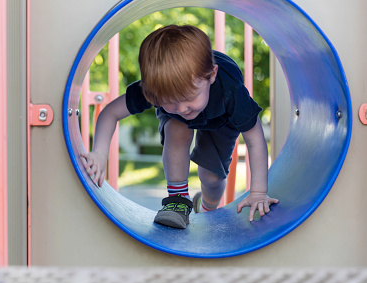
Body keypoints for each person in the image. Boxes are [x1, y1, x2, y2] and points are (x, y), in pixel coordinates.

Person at [80, 24, 278, 229]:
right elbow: (110, 113)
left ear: (211, 76)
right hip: (176, 118)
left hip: (222, 119)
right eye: (171, 100)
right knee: (177, 129)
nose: (182, 108)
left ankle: (206, 208)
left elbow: (255, 140)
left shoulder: (232, 93)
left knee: (211, 179)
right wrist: (100, 154)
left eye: (189, 98)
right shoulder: (159, 87)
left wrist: (257, 192)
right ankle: (177, 201)